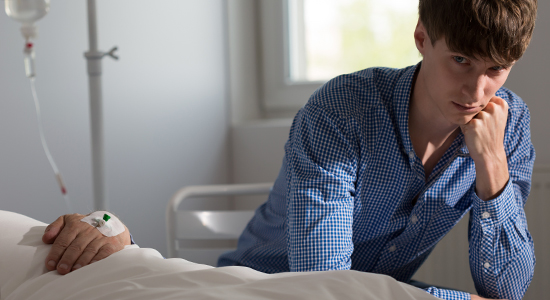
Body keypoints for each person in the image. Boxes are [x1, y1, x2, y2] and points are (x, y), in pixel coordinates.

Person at [41, 0, 537, 299]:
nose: (476, 92)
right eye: (460, 59)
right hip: (255, 291)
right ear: (422, 38)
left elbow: (508, 289)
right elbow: (321, 283)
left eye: (495, 69)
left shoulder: (507, 128)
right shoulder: (342, 111)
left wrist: (491, 168)